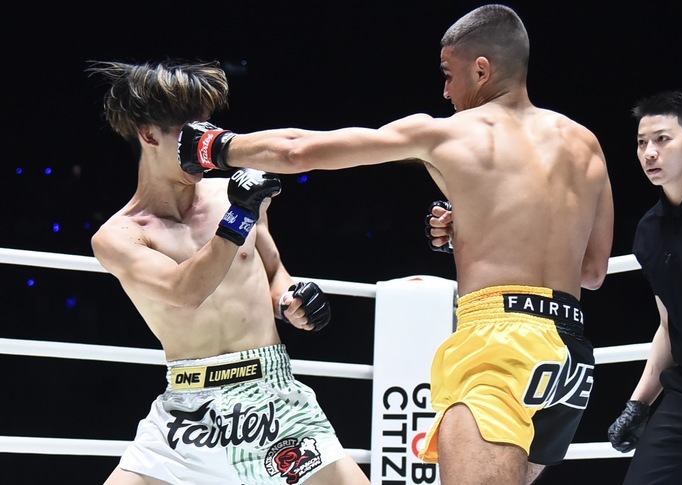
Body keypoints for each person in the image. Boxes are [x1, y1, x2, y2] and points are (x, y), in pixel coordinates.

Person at [177, 4, 614, 484]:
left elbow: (299, 150)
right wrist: (476, 236)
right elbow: (593, 272)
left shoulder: (448, 133)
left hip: (498, 343)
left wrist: (214, 147)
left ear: (481, 70)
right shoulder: (584, 143)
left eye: (448, 74)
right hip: (570, 354)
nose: (446, 92)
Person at [87, 59, 370, 485]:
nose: (204, 144)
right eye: (188, 133)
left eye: (207, 128)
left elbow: (273, 272)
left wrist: (290, 301)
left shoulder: (230, 195)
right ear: (149, 135)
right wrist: (239, 216)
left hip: (273, 396)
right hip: (187, 414)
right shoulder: (119, 236)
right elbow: (184, 290)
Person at [607, 90, 682, 484]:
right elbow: (668, 326)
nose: (649, 152)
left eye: (662, 139)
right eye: (642, 142)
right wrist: (638, 404)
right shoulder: (649, 231)